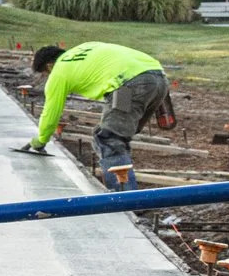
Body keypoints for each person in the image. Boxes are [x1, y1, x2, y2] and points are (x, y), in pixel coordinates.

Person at [19, 41, 168, 188]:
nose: (48, 77)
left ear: (49, 66)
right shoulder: (85, 47)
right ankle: (124, 178)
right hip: (158, 77)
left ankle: (125, 199)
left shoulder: (59, 71)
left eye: (46, 74)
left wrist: (41, 140)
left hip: (127, 87)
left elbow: (51, 113)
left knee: (109, 138)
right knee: (121, 133)